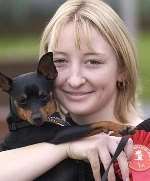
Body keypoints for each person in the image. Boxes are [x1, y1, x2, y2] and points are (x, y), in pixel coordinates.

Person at [0, 0, 149, 180]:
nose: (75, 80)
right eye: (60, 61)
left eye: (93, 62)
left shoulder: (145, 139)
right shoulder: (32, 136)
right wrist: (66, 147)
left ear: (122, 70)